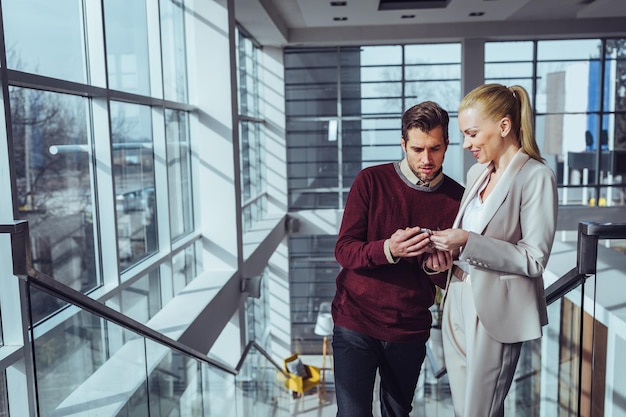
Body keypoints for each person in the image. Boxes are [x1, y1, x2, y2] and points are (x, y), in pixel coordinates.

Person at [430, 84, 558, 417]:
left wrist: (467, 242)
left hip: (495, 309)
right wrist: (445, 251)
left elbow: (533, 258)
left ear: (504, 126)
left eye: (472, 134)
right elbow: (469, 241)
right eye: (463, 135)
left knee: (478, 412)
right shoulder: (477, 173)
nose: (465, 144)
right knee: (465, 410)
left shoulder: (536, 177)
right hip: (456, 295)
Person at [332, 101, 464, 417]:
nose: (426, 159)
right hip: (356, 322)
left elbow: (448, 279)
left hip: (409, 329)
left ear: (446, 144)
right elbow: (344, 251)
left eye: (435, 148)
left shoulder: (458, 200)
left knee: (397, 414)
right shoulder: (371, 181)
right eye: (417, 149)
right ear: (403, 144)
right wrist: (389, 249)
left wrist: (437, 271)